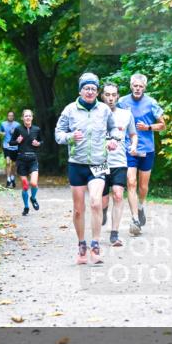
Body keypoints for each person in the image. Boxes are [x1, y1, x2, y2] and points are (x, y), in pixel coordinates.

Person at [55, 73, 118, 265]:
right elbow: (58, 134)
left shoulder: (105, 110)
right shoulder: (70, 110)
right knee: (78, 210)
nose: (90, 91)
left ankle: (95, 244)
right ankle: (82, 245)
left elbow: (113, 129)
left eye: (93, 88)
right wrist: (70, 137)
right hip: (77, 163)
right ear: (80, 90)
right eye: (86, 88)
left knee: (96, 203)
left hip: (98, 163)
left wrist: (114, 140)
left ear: (97, 92)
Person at [118, 73, 166, 236]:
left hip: (146, 149)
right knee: (131, 182)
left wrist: (148, 127)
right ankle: (134, 219)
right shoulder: (122, 102)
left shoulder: (152, 103)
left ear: (145, 87)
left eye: (140, 86)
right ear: (131, 86)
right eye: (135, 86)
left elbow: (163, 125)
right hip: (128, 147)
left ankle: (141, 206)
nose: (137, 89)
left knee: (143, 186)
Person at [100, 82, 139, 247]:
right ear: (102, 96)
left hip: (119, 162)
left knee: (117, 194)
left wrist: (134, 145)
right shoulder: (96, 113)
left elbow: (133, 134)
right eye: (107, 95)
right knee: (101, 200)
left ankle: (114, 235)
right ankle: (102, 211)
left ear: (117, 96)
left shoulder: (126, 115)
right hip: (99, 162)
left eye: (113, 95)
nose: (110, 98)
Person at [10, 109, 42, 216]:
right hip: (21, 159)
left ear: (32, 117)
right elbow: (11, 142)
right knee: (24, 186)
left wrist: (38, 143)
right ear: (22, 118)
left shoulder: (37, 129)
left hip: (33, 159)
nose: (27, 118)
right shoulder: (18, 129)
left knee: (33, 183)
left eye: (29, 116)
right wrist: (17, 141)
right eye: (25, 116)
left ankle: (33, 198)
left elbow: (41, 141)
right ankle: (26, 207)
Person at [0, 111, 21, 188]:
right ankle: (8, 179)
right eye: (9, 115)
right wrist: (2, 133)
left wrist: (15, 133)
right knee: (8, 162)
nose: (10, 117)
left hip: (15, 146)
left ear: (13, 117)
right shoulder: (3, 124)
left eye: (12, 116)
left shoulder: (17, 125)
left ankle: (12, 178)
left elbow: (21, 134)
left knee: (14, 164)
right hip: (6, 145)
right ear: (7, 116)